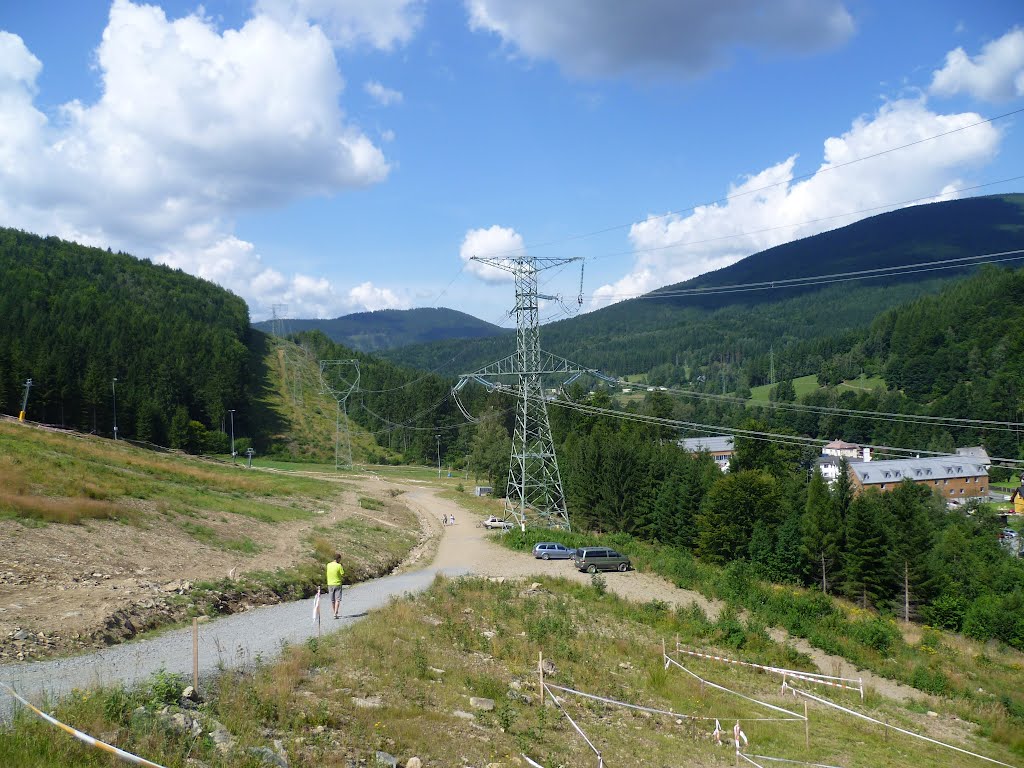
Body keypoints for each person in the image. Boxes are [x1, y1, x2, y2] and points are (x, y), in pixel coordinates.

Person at [326, 553, 345, 619]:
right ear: (339, 559)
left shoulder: (328, 565)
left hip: (330, 584)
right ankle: (335, 613)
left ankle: (334, 612)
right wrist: (342, 567)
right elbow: (342, 574)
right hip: (337, 584)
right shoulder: (339, 566)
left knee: (332, 599)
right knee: (338, 599)